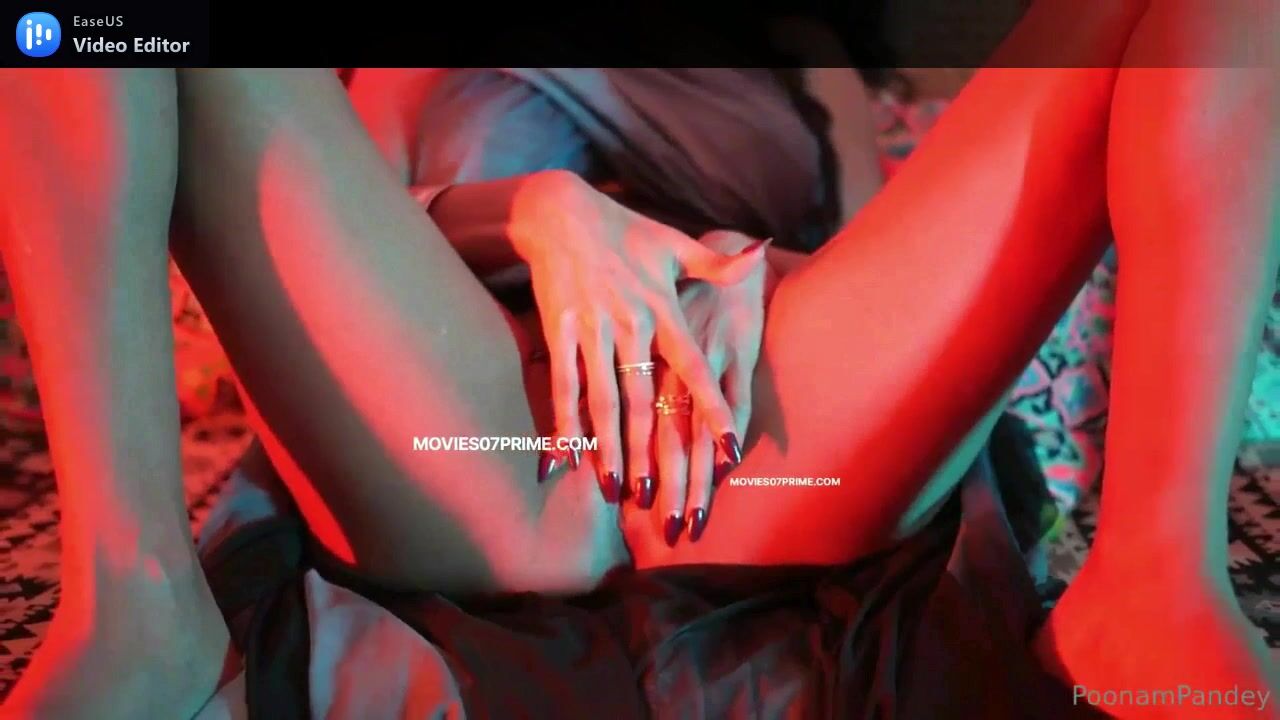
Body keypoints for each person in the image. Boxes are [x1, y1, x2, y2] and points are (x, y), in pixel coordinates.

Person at [0, 0, 1276, 717]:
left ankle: (1155, 576)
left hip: (753, 421)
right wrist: (542, 211)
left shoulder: (801, 51)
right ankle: (134, 597)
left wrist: (731, 262)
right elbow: (345, 236)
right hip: (479, 427)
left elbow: (869, 247)